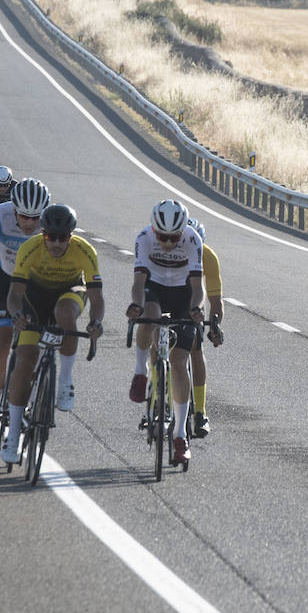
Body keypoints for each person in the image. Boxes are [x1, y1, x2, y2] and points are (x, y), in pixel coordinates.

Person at [0, 202, 105, 464]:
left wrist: (95, 322)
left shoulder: (85, 251)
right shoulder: (30, 248)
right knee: (25, 360)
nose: (56, 243)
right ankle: (13, 435)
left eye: (63, 238)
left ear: (71, 235)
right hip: (34, 298)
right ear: (43, 233)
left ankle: (65, 382)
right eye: (50, 237)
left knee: (65, 313)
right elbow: (14, 295)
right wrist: (17, 316)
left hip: (70, 292)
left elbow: (97, 297)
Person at [125, 199, 205, 467]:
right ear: (153, 229)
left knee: (180, 363)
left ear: (182, 231)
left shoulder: (193, 240)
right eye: (163, 237)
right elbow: (138, 283)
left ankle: (180, 436)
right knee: (148, 315)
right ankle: (140, 372)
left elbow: (198, 288)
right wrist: (136, 305)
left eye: (174, 237)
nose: (168, 243)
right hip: (155, 289)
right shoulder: (144, 238)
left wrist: (196, 310)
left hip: (184, 294)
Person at [0, 177, 49, 448]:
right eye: (24, 216)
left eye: (35, 218)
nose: (30, 223)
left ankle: (24, 403)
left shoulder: (51, 222)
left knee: (33, 349)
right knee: (2, 343)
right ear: (13, 209)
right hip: (3, 280)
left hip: (36, 284)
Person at [185, 218, 224, 438]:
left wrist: (214, 326)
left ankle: (200, 411)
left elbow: (215, 300)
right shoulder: (166, 249)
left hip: (192, 298)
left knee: (195, 346)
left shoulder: (208, 257)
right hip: (170, 291)